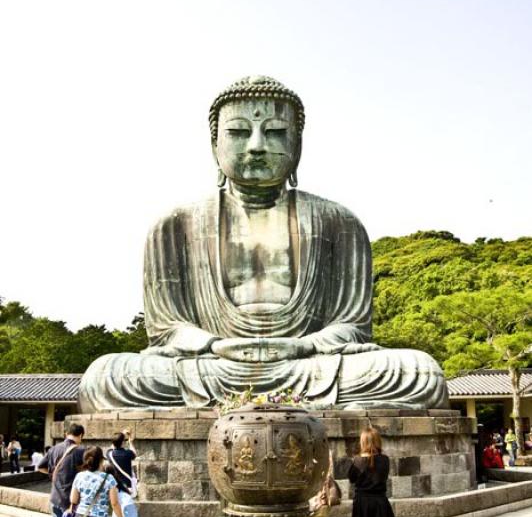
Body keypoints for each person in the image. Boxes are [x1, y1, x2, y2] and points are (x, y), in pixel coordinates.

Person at [79, 75, 448, 413]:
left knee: (418, 373)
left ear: (297, 144)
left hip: (307, 364)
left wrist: (303, 346)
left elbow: (351, 325)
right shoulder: (174, 227)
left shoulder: (339, 222)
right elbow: (167, 329)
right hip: (212, 366)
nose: (256, 146)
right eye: (239, 133)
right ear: (214, 144)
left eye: (274, 132)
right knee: (107, 376)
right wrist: (213, 345)